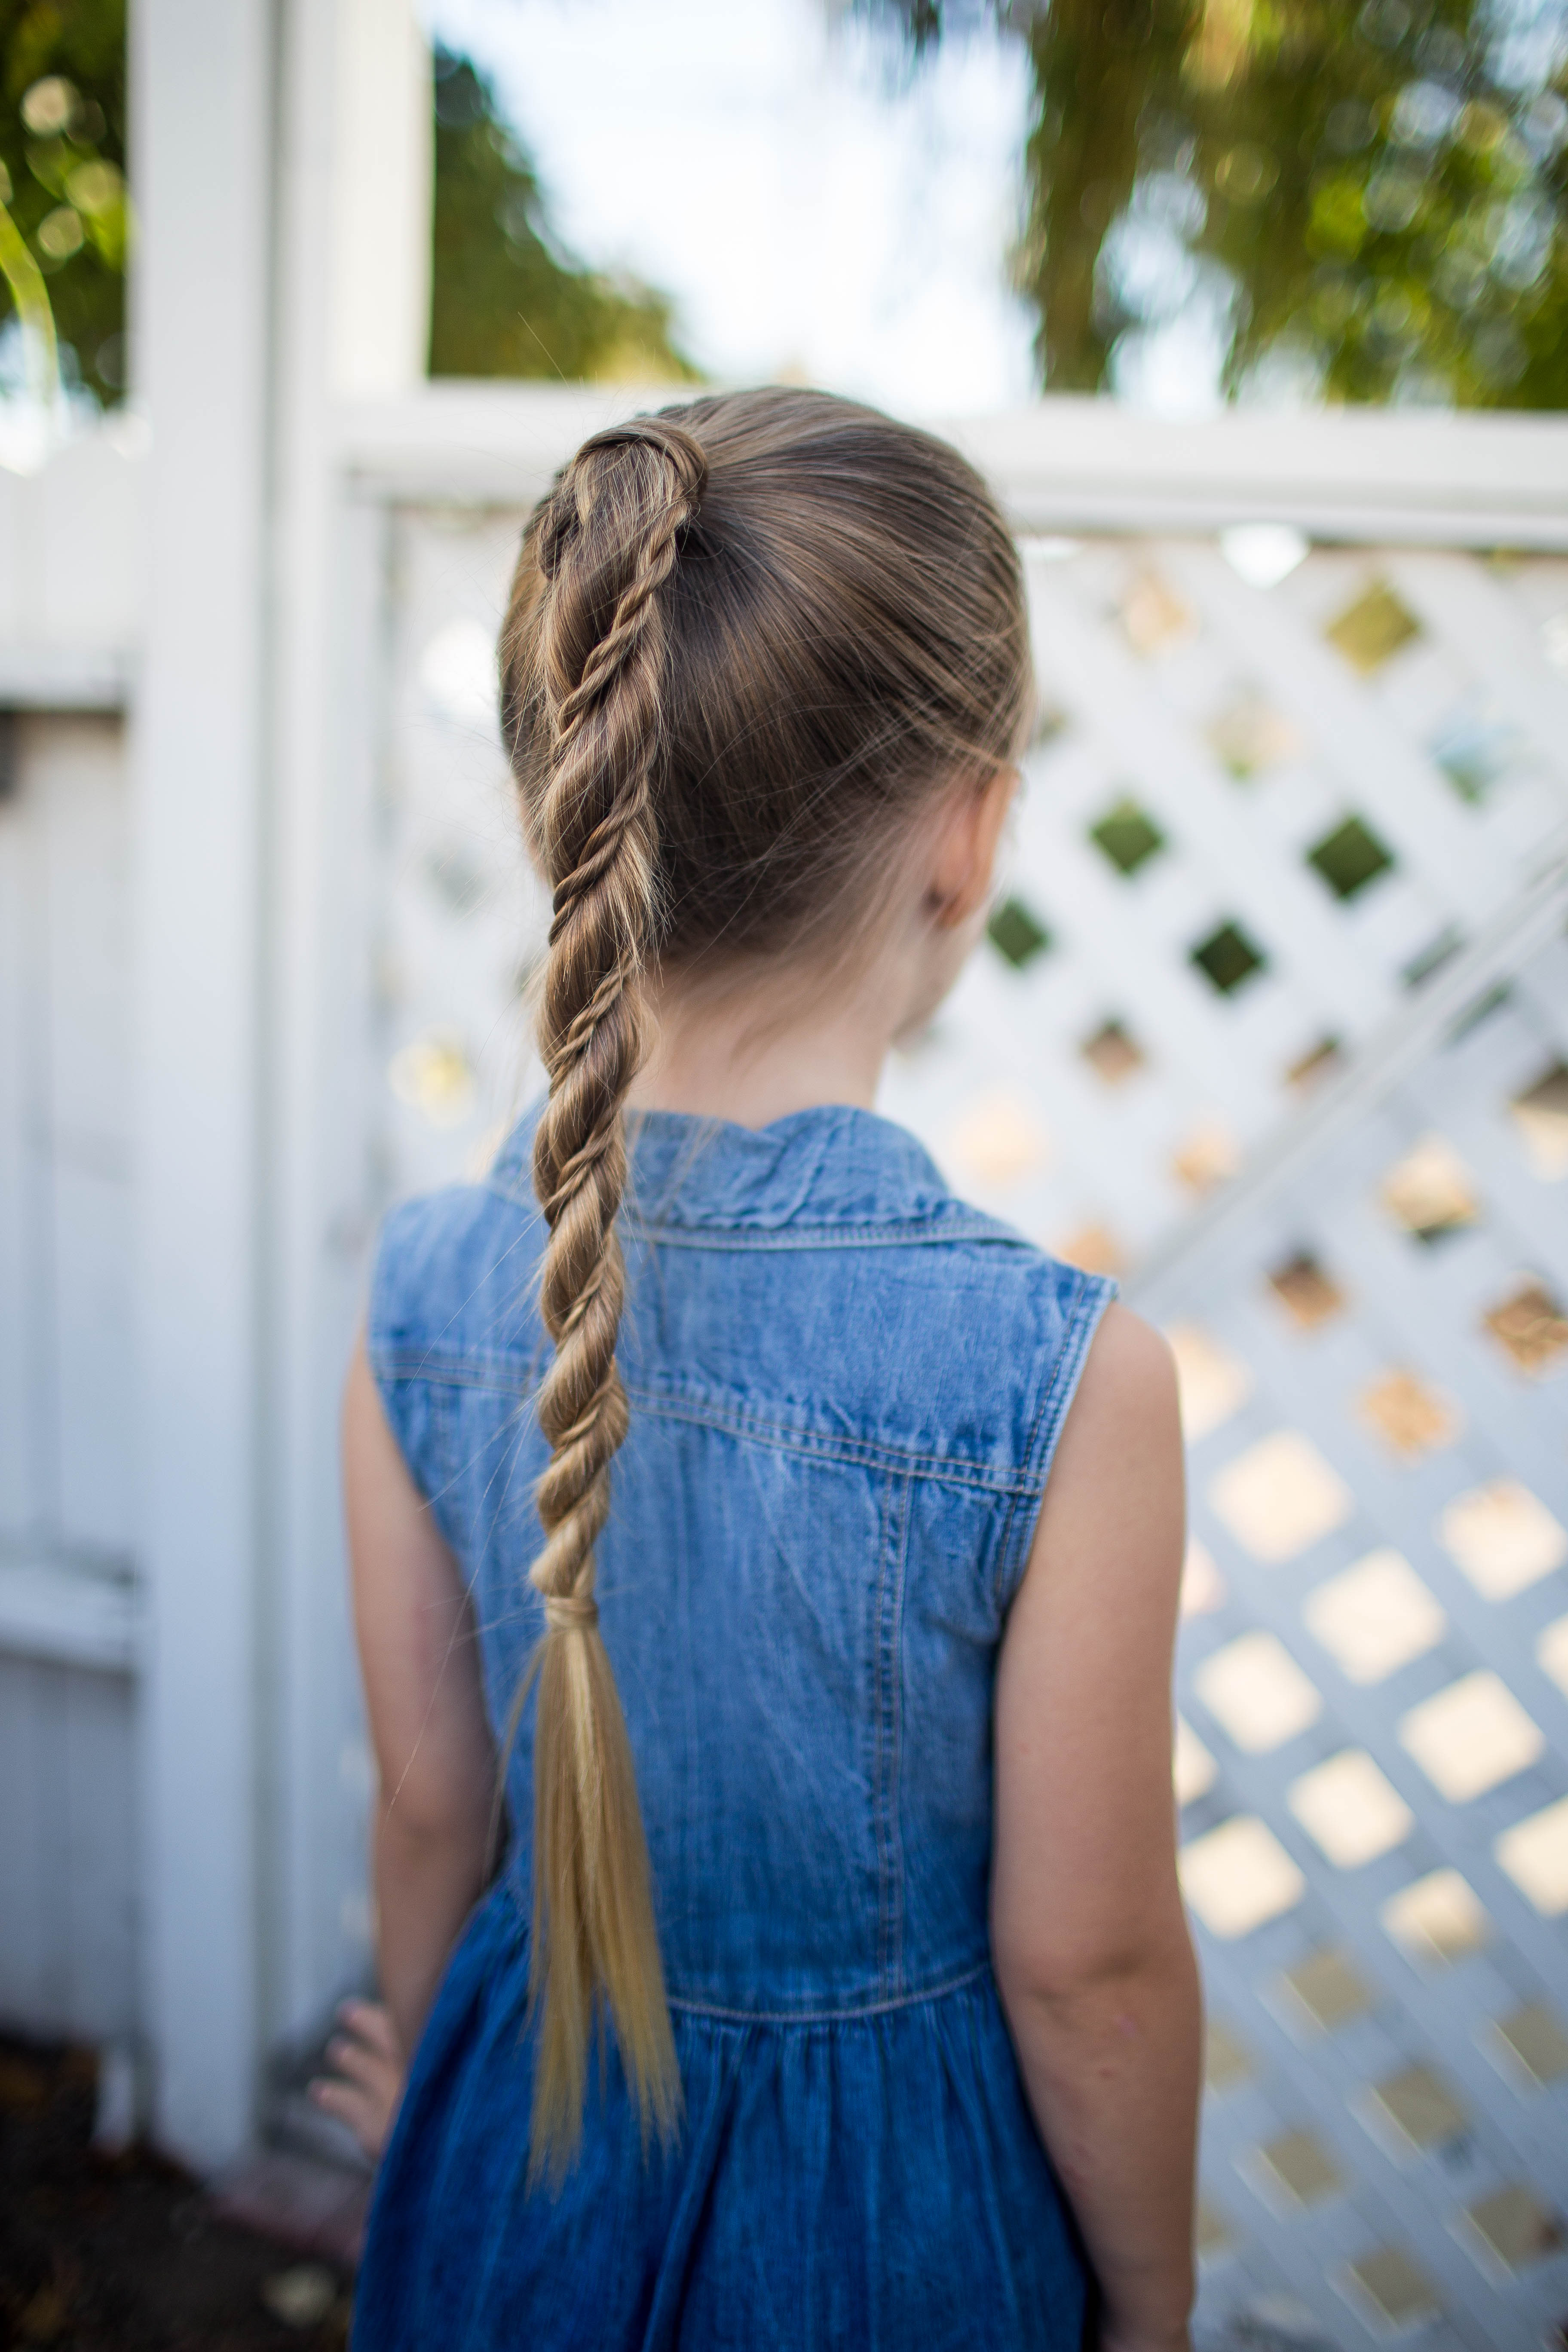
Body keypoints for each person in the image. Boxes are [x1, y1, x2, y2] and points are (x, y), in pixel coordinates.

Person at [319, 389, 1200, 2351]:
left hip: (515, 2179)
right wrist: (1149, 2299)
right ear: (964, 833)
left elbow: (428, 1811)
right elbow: (1093, 1970)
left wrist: (436, 2120)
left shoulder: (423, 1288)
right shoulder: (1064, 1384)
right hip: (895, 2252)